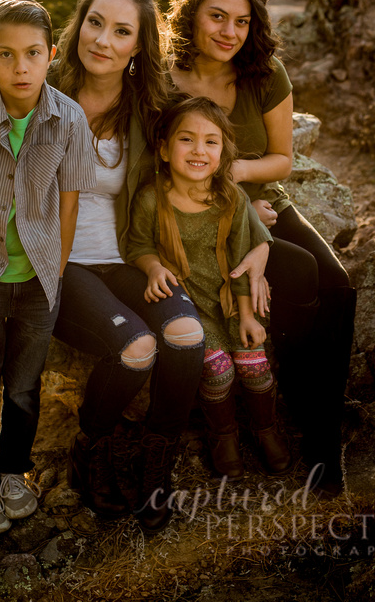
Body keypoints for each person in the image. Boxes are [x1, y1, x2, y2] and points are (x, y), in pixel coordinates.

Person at [0, 0, 272, 534]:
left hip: (127, 260)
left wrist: (251, 223)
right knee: (136, 347)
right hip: (58, 263)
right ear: (77, 27)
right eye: (95, 22)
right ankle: (93, 447)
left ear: (139, 45)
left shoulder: (152, 109)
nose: (103, 39)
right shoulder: (38, 88)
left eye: (122, 31)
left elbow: (203, 159)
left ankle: (153, 465)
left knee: (185, 335)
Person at [166, 0, 356, 493]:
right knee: (297, 277)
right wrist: (232, 206)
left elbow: (281, 160)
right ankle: (279, 410)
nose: (230, 32)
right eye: (217, 17)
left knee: (338, 286)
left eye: (242, 21)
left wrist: (237, 174)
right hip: (196, 213)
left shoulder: (264, 74)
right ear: (191, 17)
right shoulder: (162, 78)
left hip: (264, 199)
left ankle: (322, 431)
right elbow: (155, 166)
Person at [0, 0, 95, 534]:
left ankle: (13, 473)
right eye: (5, 55)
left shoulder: (69, 118)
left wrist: (55, 271)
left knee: (24, 387)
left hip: (39, 277)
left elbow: (71, 199)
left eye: (32, 53)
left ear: (51, 54)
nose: (20, 66)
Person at [127, 96, 290, 480]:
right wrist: (152, 268)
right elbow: (139, 245)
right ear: (165, 149)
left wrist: (248, 316)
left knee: (254, 365)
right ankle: (223, 435)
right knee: (217, 370)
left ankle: (265, 429)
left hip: (230, 302)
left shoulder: (230, 199)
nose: (199, 150)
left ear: (224, 153)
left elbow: (240, 262)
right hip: (189, 306)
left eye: (211, 142)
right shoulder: (152, 198)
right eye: (186, 140)